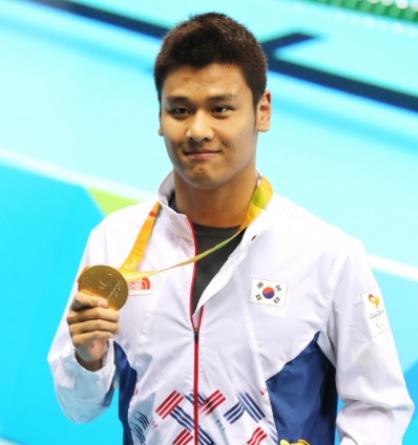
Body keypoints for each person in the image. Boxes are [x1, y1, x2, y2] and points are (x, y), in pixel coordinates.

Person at [48, 12, 414, 445]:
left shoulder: (327, 256)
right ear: (159, 118)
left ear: (262, 111)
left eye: (220, 109)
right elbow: (79, 407)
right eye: (180, 110)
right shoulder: (114, 240)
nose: (198, 130)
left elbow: (380, 408)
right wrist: (88, 359)